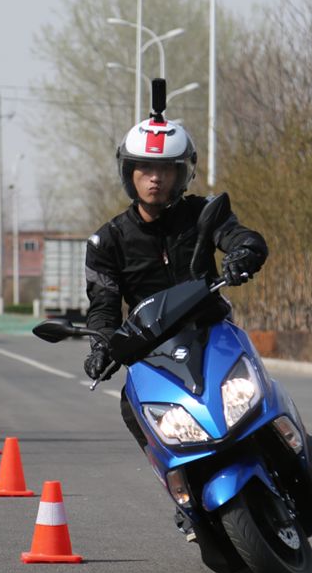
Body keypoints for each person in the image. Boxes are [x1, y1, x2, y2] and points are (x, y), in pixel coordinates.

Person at [82, 112, 268, 451]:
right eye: (145, 168)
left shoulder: (204, 213)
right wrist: (101, 347)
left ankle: (298, 446)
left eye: (166, 169)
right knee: (132, 406)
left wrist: (244, 253)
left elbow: (241, 237)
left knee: (257, 389)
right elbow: (103, 308)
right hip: (152, 352)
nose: (155, 178)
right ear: (129, 173)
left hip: (212, 335)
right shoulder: (107, 241)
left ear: (182, 173)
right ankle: (179, 480)